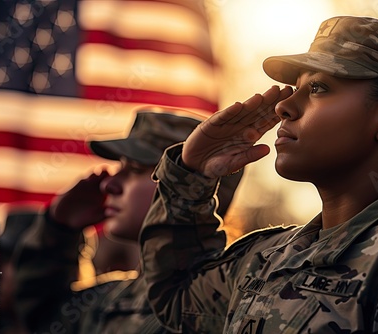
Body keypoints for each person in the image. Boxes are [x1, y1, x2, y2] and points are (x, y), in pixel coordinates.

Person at [139, 16, 378, 333]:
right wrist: (192, 173)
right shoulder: (268, 257)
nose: (283, 106)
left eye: (318, 89)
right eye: (296, 88)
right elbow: (176, 295)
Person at [13, 109, 244, 333]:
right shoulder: (114, 298)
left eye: (134, 169)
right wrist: (58, 231)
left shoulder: (232, 299)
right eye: (119, 168)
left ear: (194, 184)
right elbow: (42, 319)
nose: (108, 185)